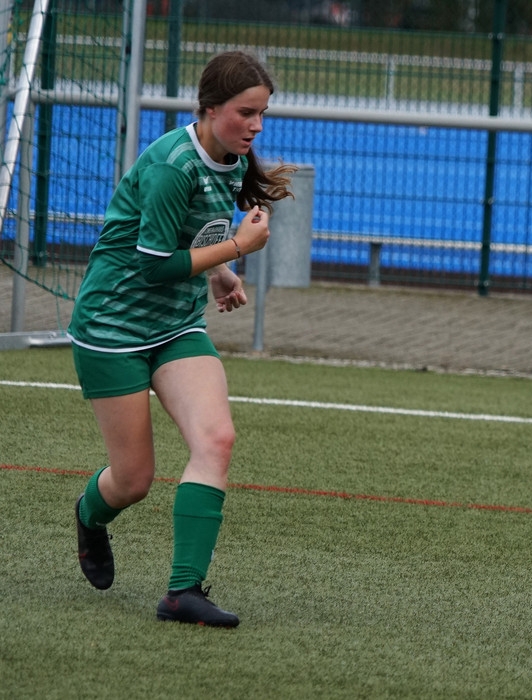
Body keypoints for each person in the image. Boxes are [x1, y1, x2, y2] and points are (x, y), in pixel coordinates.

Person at [68, 50, 295, 627]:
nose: (256, 126)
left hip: (176, 326)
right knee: (133, 481)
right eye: (246, 113)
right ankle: (90, 516)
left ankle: (182, 593)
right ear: (210, 108)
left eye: (262, 114)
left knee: (216, 440)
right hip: (113, 328)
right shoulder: (174, 165)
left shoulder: (231, 157)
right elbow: (152, 266)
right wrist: (237, 249)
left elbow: (190, 236)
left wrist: (220, 272)